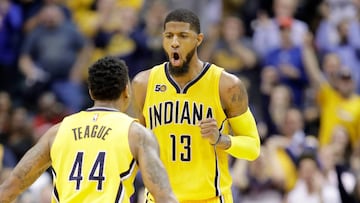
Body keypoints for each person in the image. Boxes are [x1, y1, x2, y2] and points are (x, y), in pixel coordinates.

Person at [0, 56, 178, 203]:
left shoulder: (58, 131)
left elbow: (11, 187)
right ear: (126, 91)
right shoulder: (135, 132)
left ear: (91, 92)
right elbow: (164, 196)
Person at [132, 8, 261, 202]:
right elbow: (133, 146)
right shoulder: (143, 83)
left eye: (183, 36)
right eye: (169, 36)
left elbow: (253, 147)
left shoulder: (227, 85)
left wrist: (221, 139)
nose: (174, 43)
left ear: (199, 39)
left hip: (210, 198)